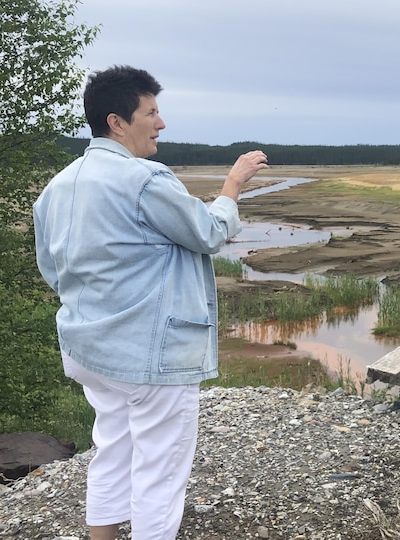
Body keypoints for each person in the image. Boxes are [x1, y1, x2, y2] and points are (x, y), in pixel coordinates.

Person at [33, 65, 269, 540]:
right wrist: (232, 187)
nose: (161, 123)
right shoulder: (143, 179)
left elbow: (52, 270)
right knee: (160, 472)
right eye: (152, 112)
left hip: (89, 350)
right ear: (117, 122)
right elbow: (207, 233)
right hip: (150, 356)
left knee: (113, 448)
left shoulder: (57, 187)